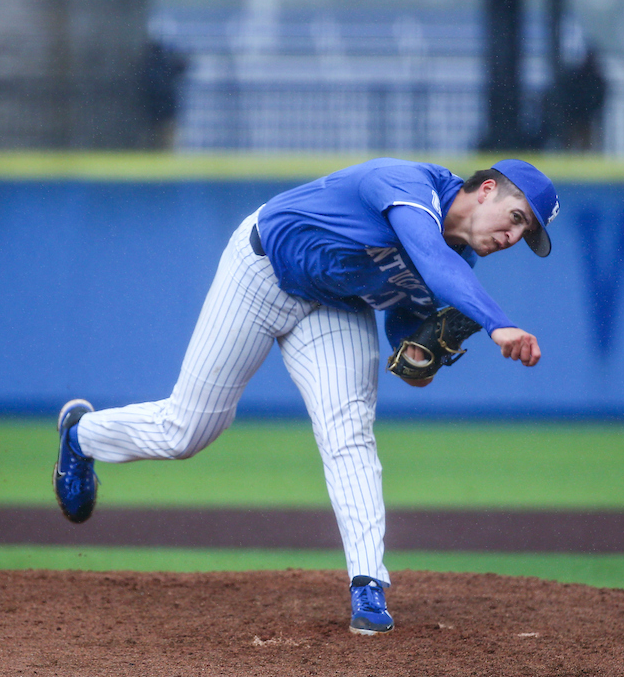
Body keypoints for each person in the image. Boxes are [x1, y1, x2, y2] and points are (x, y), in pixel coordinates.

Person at [53, 157, 560, 634]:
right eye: (516, 218)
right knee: (187, 431)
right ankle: (82, 435)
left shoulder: (459, 262)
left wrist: (419, 361)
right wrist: (499, 323)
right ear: (487, 188)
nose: (513, 236)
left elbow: (407, 325)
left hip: (336, 306)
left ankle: (369, 584)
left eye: (525, 234)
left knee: (350, 431)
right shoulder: (408, 186)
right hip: (261, 272)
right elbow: (431, 261)